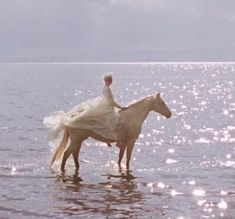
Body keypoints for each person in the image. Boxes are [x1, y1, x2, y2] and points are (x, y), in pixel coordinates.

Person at [64, 74, 127, 147]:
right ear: (105, 81)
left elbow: (109, 100)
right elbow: (111, 101)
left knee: (105, 122)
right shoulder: (107, 89)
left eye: (111, 80)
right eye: (108, 80)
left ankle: (107, 140)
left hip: (107, 106)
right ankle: (115, 141)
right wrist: (121, 107)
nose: (110, 81)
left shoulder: (105, 88)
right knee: (116, 123)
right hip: (108, 108)